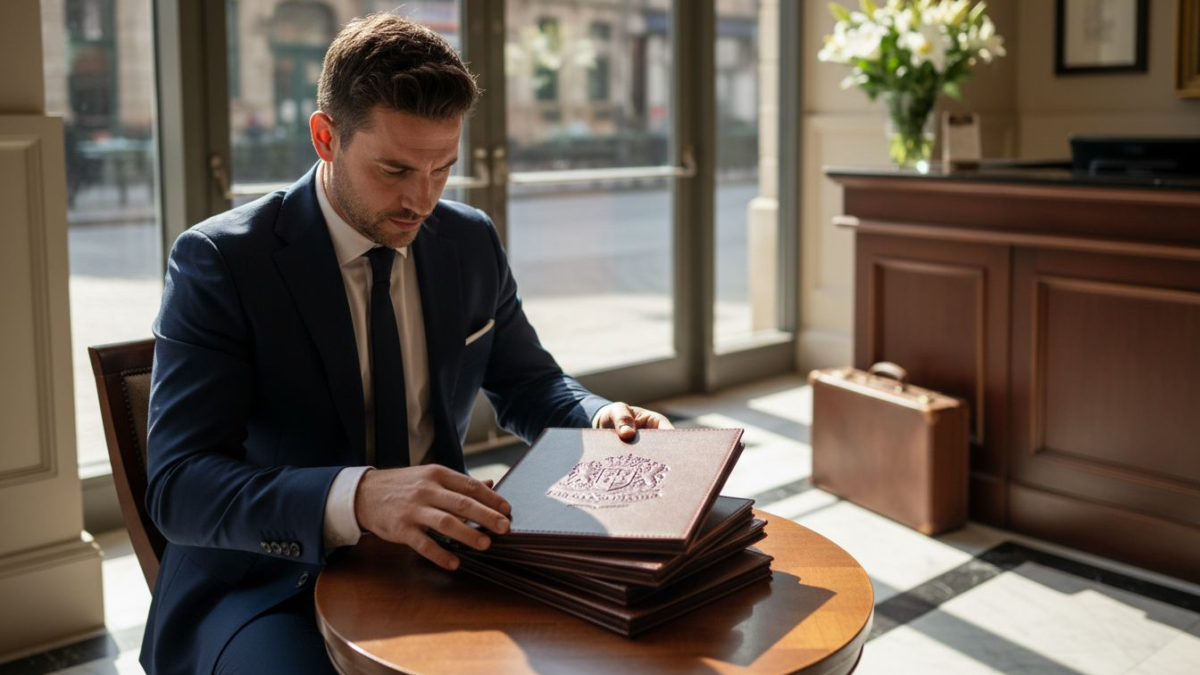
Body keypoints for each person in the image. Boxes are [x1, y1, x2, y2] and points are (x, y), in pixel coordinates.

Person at [141, 14, 673, 675]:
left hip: (445, 559)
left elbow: (530, 384)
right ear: (325, 137)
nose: (420, 200)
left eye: (442, 169)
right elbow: (179, 485)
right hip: (269, 584)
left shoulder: (468, 241)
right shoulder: (223, 261)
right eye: (394, 169)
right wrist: (361, 496)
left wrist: (598, 416)